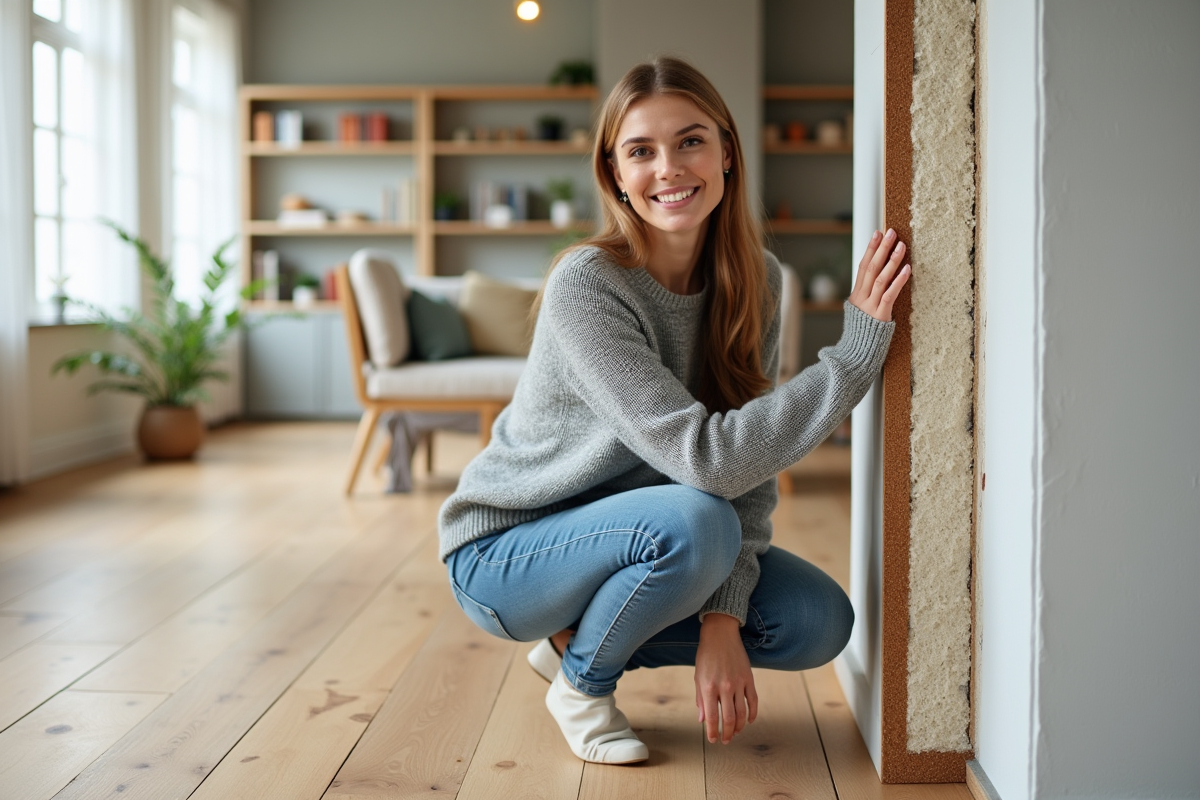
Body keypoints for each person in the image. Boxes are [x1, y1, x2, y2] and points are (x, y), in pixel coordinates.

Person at [438, 56, 910, 765]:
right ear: (615, 174)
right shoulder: (588, 284)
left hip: (654, 534)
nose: (669, 168)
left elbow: (748, 467)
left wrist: (724, 615)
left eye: (690, 141)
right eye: (641, 151)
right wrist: (854, 358)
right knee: (698, 519)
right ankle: (581, 684)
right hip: (511, 549)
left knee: (815, 621)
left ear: (726, 151)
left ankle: (578, 637)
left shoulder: (758, 281)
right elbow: (710, 461)